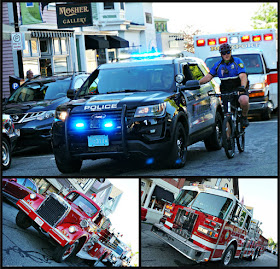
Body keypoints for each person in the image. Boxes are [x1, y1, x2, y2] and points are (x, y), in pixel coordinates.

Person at [199, 43, 250, 127]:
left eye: (228, 52)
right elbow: (208, 77)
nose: (226, 55)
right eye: (223, 53)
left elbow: (243, 76)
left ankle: (244, 117)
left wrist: (242, 87)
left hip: (239, 88)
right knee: (227, 115)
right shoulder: (218, 65)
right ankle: (228, 138)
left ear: (231, 52)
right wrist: (197, 83)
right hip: (226, 90)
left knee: (244, 100)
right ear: (221, 54)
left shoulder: (237, 62)